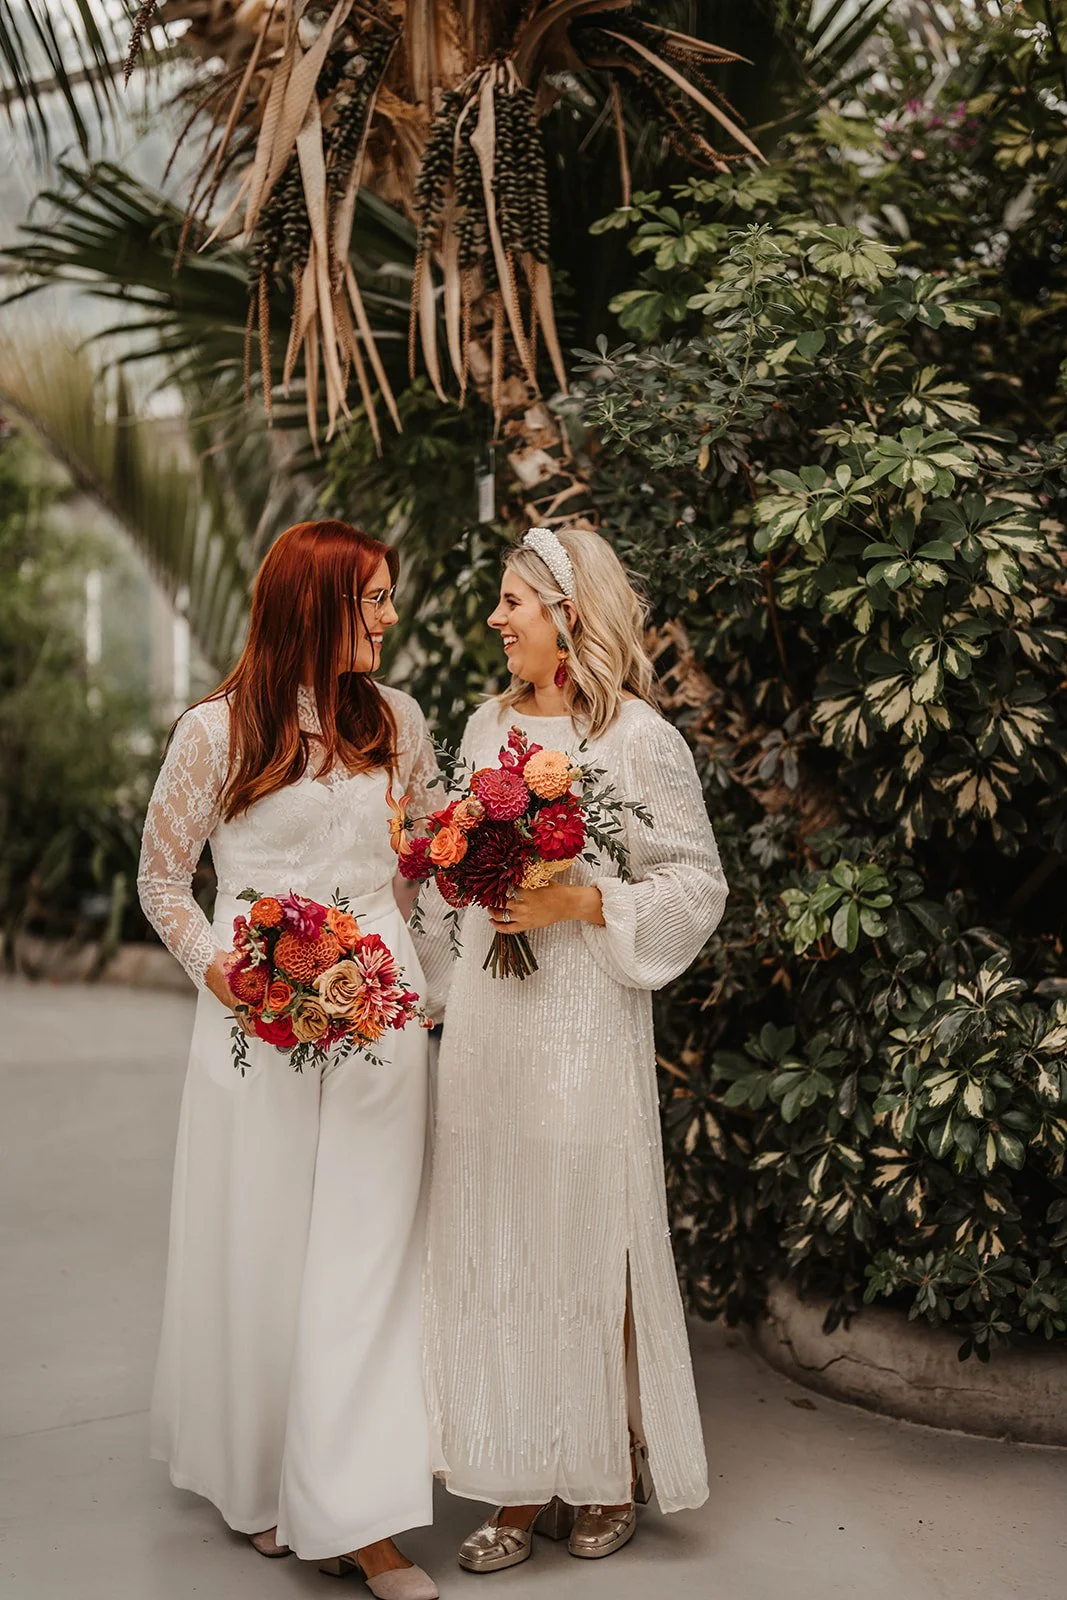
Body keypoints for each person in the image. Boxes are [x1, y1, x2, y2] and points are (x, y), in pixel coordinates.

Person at [416, 526, 728, 1572]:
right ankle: (513, 1480)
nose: (496, 619)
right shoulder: (481, 725)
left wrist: (584, 896)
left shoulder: (638, 739)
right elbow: (453, 872)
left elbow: (694, 880)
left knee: (590, 1237)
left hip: (586, 1019)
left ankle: (606, 1469)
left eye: (513, 601)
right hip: (494, 1023)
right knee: (497, 1236)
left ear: (568, 616)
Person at [138, 519, 439, 1597]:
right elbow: (163, 884)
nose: (391, 619)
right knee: (262, 1244)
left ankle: (355, 1506)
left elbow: (418, 873)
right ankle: (265, 1475)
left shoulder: (396, 720)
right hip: (254, 1020)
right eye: (375, 600)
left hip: (381, 1007)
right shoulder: (215, 733)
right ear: (315, 603)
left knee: (368, 1246)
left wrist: (440, 994)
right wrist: (233, 972)